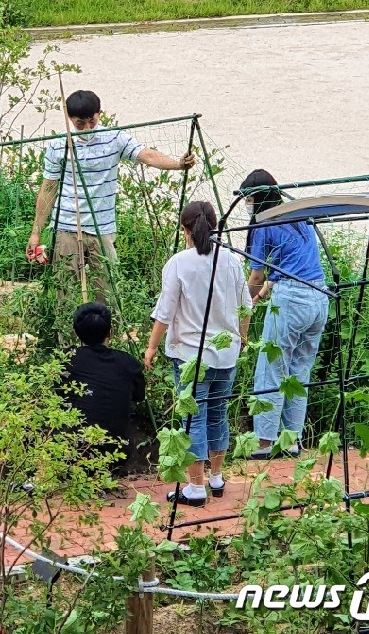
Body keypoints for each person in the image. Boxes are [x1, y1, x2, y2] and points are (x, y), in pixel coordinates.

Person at [26, 90, 195, 300]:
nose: (87, 128)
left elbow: (147, 155)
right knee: (65, 294)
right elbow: (48, 189)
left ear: (99, 114)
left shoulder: (114, 138)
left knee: (107, 294)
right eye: (80, 124)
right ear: (69, 118)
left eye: (92, 121)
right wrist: (36, 232)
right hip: (66, 227)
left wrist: (178, 164)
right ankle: (66, 333)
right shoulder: (58, 145)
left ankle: (107, 333)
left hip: (102, 229)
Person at [144, 201, 251, 507]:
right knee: (218, 414)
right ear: (215, 226)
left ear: (185, 229)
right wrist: (242, 337)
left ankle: (195, 486)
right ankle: (216, 477)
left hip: (191, 355)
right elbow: (246, 305)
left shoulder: (179, 262)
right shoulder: (231, 260)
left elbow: (165, 312)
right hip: (226, 353)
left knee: (194, 418)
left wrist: (151, 347)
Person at [240, 169, 329, 459]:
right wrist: (265, 292)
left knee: (271, 369)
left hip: (292, 300)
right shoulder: (297, 214)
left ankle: (264, 443)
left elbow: (256, 274)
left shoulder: (263, 222)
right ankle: (291, 440)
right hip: (318, 296)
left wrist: (246, 303)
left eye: (249, 199)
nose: (248, 205)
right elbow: (288, 263)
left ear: (257, 200)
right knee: (298, 372)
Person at [65, 302, 146, 464]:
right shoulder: (128, 363)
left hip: (71, 454)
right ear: (110, 332)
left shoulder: (66, 361)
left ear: (76, 333)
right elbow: (140, 395)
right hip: (115, 457)